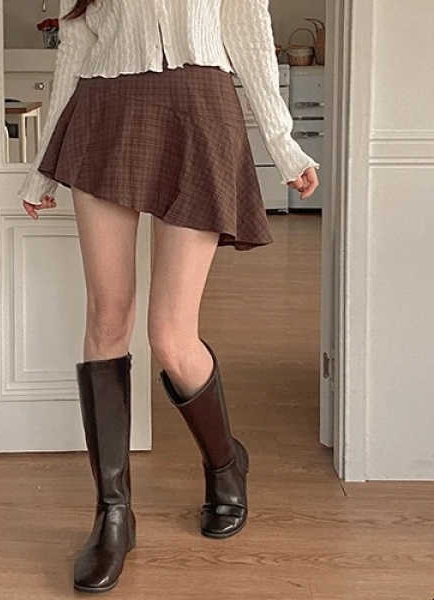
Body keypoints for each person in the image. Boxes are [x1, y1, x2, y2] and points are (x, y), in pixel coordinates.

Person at [18, 0, 320, 594]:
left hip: (199, 110)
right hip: (104, 111)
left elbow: (247, 30)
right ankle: (113, 513)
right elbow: (75, 48)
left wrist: (283, 143)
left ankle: (225, 461)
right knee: (107, 317)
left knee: (170, 337)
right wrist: (42, 168)